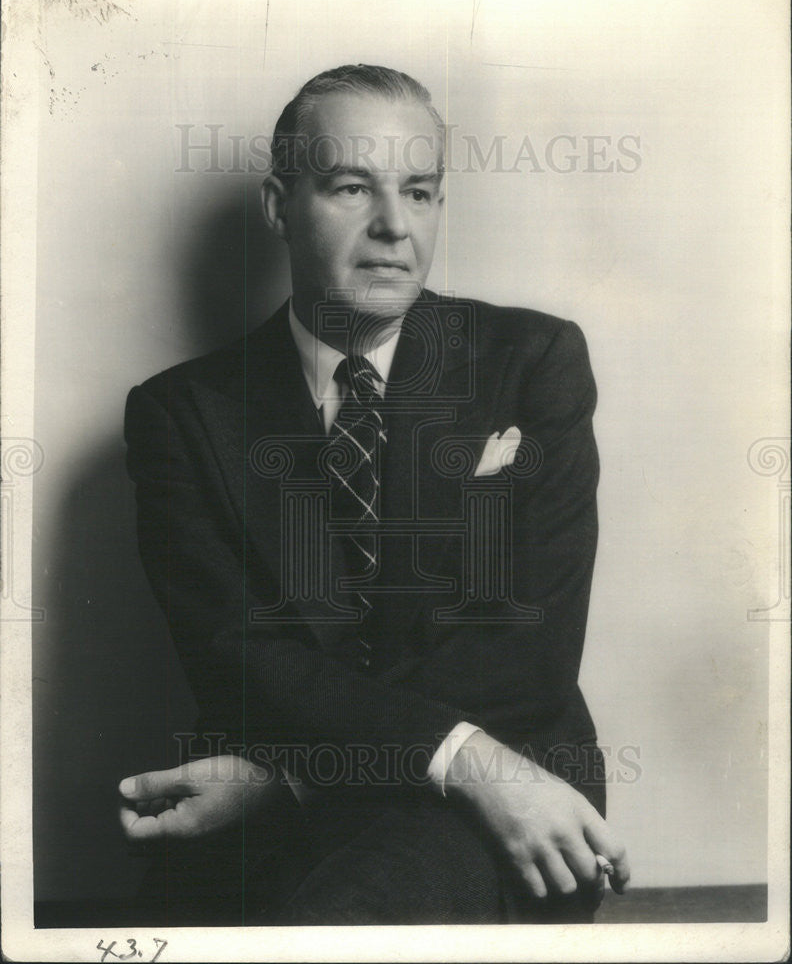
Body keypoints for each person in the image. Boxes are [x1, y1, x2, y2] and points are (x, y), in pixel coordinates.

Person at [119, 63, 630, 925]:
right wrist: (300, 782)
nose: (396, 226)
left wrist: (303, 780)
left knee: (349, 920)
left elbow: (525, 649)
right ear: (280, 204)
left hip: (513, 782)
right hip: (258, 787)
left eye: (421, 192)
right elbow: (234, 655)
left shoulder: (531, 361)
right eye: (353, 187)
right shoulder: (179, 412)